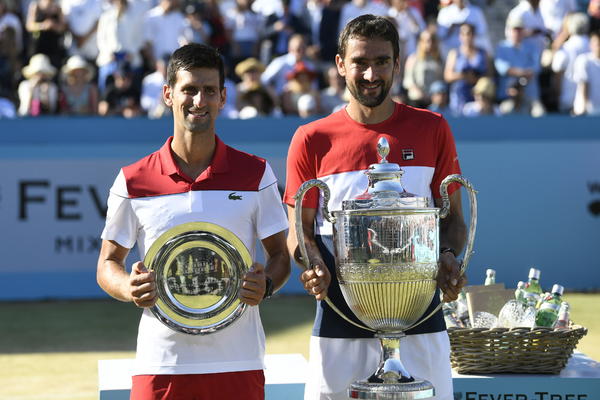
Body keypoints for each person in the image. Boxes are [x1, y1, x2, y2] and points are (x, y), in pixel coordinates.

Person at [284, 14, 467, 400]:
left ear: (398, 65)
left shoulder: (433, 128)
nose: (371, 74)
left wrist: (449, 255)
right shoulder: (311, 139)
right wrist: (313, 263)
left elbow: (453, 221)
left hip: (422, 319)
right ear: (339, 65)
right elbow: (298, 233)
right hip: (339, 320)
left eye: (382, 62)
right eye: (360, 63)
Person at [96, 43, 290, 399]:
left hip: (239, 361)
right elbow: (108, 264)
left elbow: (280, 256)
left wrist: (268, 284)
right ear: (168, 94)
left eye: (209, 90)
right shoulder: (133, 179)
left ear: (223, 97)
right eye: (189, 89)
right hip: (161, 364)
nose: (199, 100)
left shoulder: (257, 173)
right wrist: (129, 288)